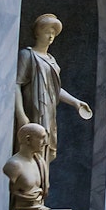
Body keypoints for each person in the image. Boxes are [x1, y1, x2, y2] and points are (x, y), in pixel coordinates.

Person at [15, 13, 91, 165]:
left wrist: (75, 102)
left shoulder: (51, 60)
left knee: (44, 152)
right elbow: (16, 84)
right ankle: (25, 187)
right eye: (47, 31)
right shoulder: (28, 55)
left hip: (49, 113)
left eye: (53, 33)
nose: (50, 36)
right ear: (37, 32)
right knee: (30, 151)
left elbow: (55, 89)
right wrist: (21, 114)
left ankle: (40, 186)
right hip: (33, 110)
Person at [4, 123, 51, 210]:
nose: (45, 142)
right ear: (28, 139)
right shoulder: (14, 165)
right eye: (42, 138)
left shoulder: (40, 162)